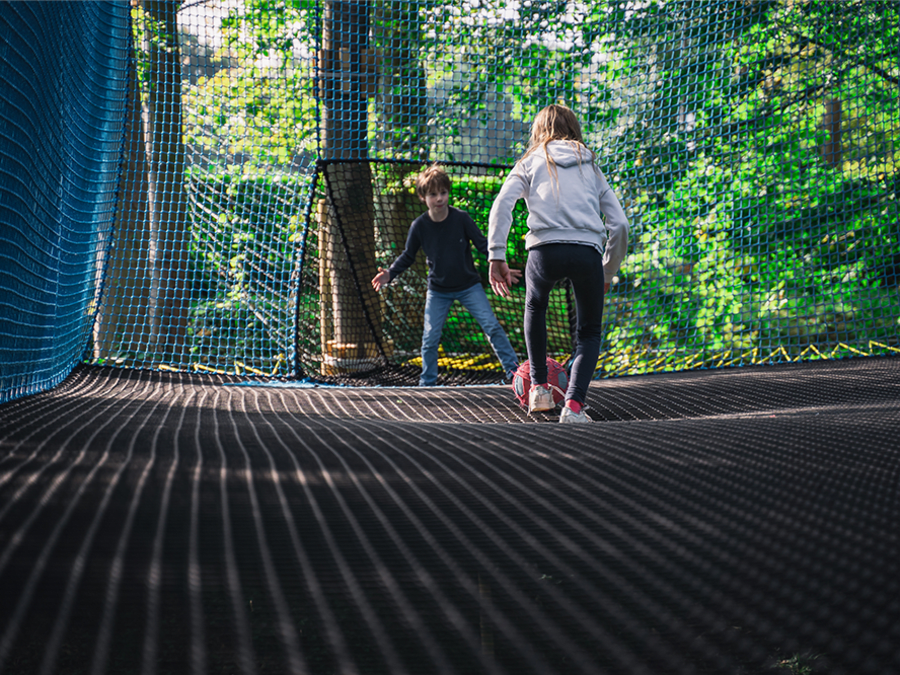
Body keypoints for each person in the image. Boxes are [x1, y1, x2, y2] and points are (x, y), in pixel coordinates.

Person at [487, 104, 629, 423]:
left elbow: (502, 205)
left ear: (538, 131)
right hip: (586, 252)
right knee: (589, 332)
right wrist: (607, 270)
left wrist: (496, 253)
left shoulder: (530, 161)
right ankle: (574, 407)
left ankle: (538, 388)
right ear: (574, 129)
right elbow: (620, 225)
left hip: (543, 252)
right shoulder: (590, 165)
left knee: (535, 309)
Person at [372, 164, 521, 387]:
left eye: (443, 192)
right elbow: (408, 256)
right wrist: (390, 274)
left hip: (469, 286)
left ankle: (513, 371)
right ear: (423, 197)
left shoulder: (461, 219)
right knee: (430, 339)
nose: (439, 198)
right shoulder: (419, 226)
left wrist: (500, 262)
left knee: (491, 326)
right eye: (433, 194)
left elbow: (483, 244)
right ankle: (428, 382)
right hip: (438, 290)